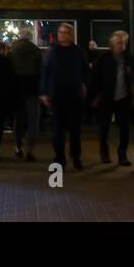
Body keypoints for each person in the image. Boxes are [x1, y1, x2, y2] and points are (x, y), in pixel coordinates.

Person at [41, 23, 90, 169]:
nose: (62, 35)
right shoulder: (52, 52)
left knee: (75, 129)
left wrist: (84, 85)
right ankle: (59, 157)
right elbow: (45, 71)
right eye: (60, 32)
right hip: (56, 95)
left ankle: (75, 156)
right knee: (57, 129)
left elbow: (85, 70)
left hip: (74, 94)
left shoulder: (78, 52)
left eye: (65, 32)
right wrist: (44, 92)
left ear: (71, 35)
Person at [90, 31, 133, 165]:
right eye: (118, 43)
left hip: (123, 98)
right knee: (104, 127)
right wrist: (96, 95)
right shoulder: (104, 58)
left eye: (123, 43)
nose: (121, 46)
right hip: (107, 97)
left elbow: (132, 76)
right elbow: (96, 77)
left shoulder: (128, 58)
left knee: (124, 127)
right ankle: (104, 153)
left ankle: (122, 155)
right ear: (113, 44)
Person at [9, 30, 42, 161]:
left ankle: (18, 147)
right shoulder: (36, 51)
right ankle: (30, 150)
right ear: (30, 37)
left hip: (17, 89)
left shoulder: (12, 51)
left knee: (18, 120)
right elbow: (40, 71)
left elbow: (9, 71)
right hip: (32, 90)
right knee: (33, 121)